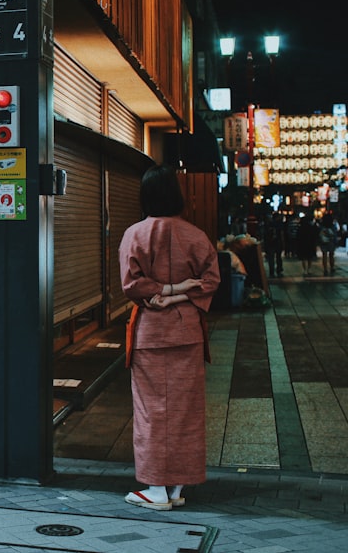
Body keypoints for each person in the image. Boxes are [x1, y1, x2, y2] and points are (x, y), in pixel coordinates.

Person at [118, 165, 220, 511]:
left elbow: (132, 285)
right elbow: (211, 280)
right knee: (184, 411)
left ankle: (156, 488)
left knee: (151, 411)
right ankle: (175, 487)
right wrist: (180, 293)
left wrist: (162, 292)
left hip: (151, 334)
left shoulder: (135, 234)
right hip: (188, 332)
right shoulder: (196, 236)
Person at [262, 212, 285, 278]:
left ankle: (271, 272)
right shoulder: (279, 224)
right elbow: (281, 234)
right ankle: (279, 270)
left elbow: (265, 234)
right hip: (278, 242)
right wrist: (283, 243)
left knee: (271, 258)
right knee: (278, 257)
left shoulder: (268, 224)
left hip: (270, 243)